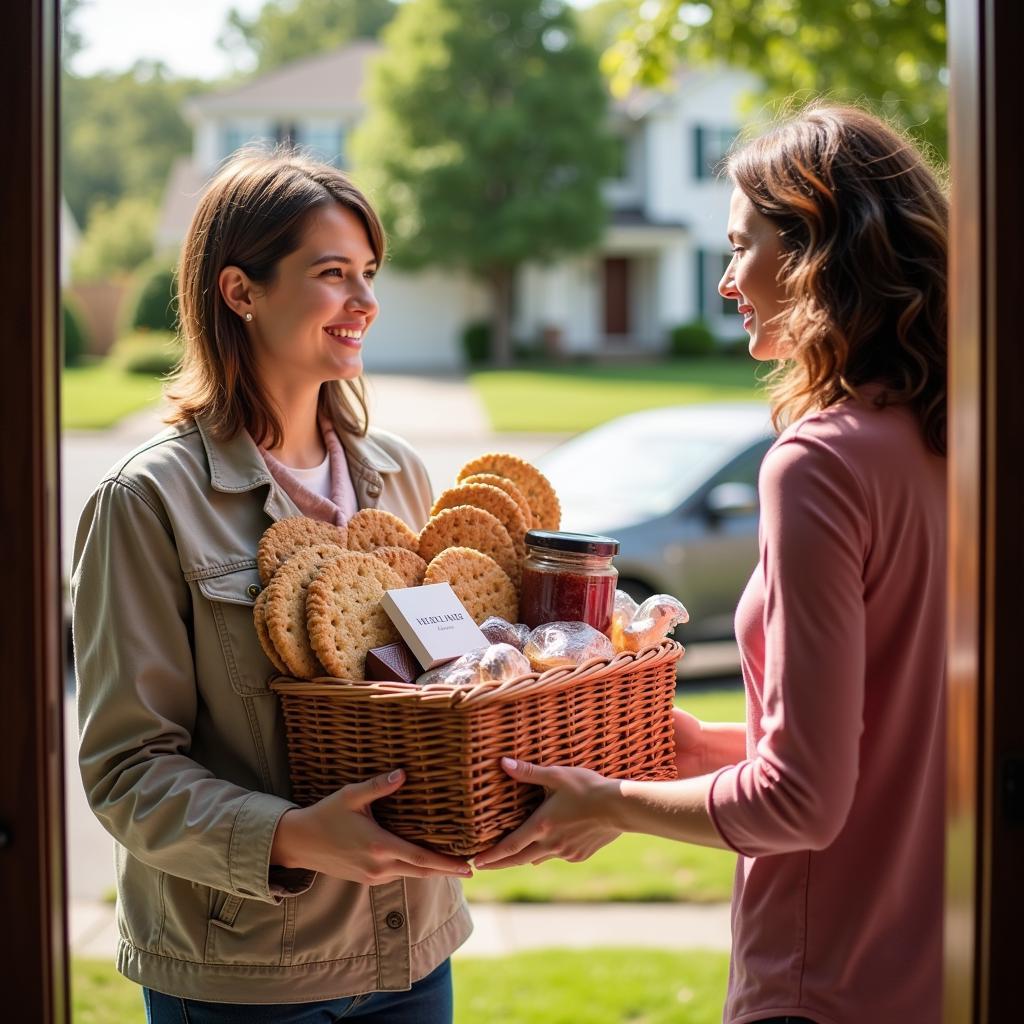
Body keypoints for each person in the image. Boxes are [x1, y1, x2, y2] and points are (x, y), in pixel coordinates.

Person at [474, 104, 948, 1024]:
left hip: (825, 983)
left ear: (817, 250)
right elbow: (893, 745)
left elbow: (802, 805)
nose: (729, 279)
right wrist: (707, 754)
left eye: (742, 246)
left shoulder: (821, 463)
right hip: (942, 970)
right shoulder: (956, 440)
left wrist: (608, 804)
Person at [71, 149, 473, 1024]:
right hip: (249, 973)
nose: (365, 301)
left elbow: (446, 684)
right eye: (333, 275)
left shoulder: (398, 476)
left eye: (369, 273)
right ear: (240, 291)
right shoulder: (146, 503)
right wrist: (290, 836)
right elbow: (124, 770)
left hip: (415, 951)